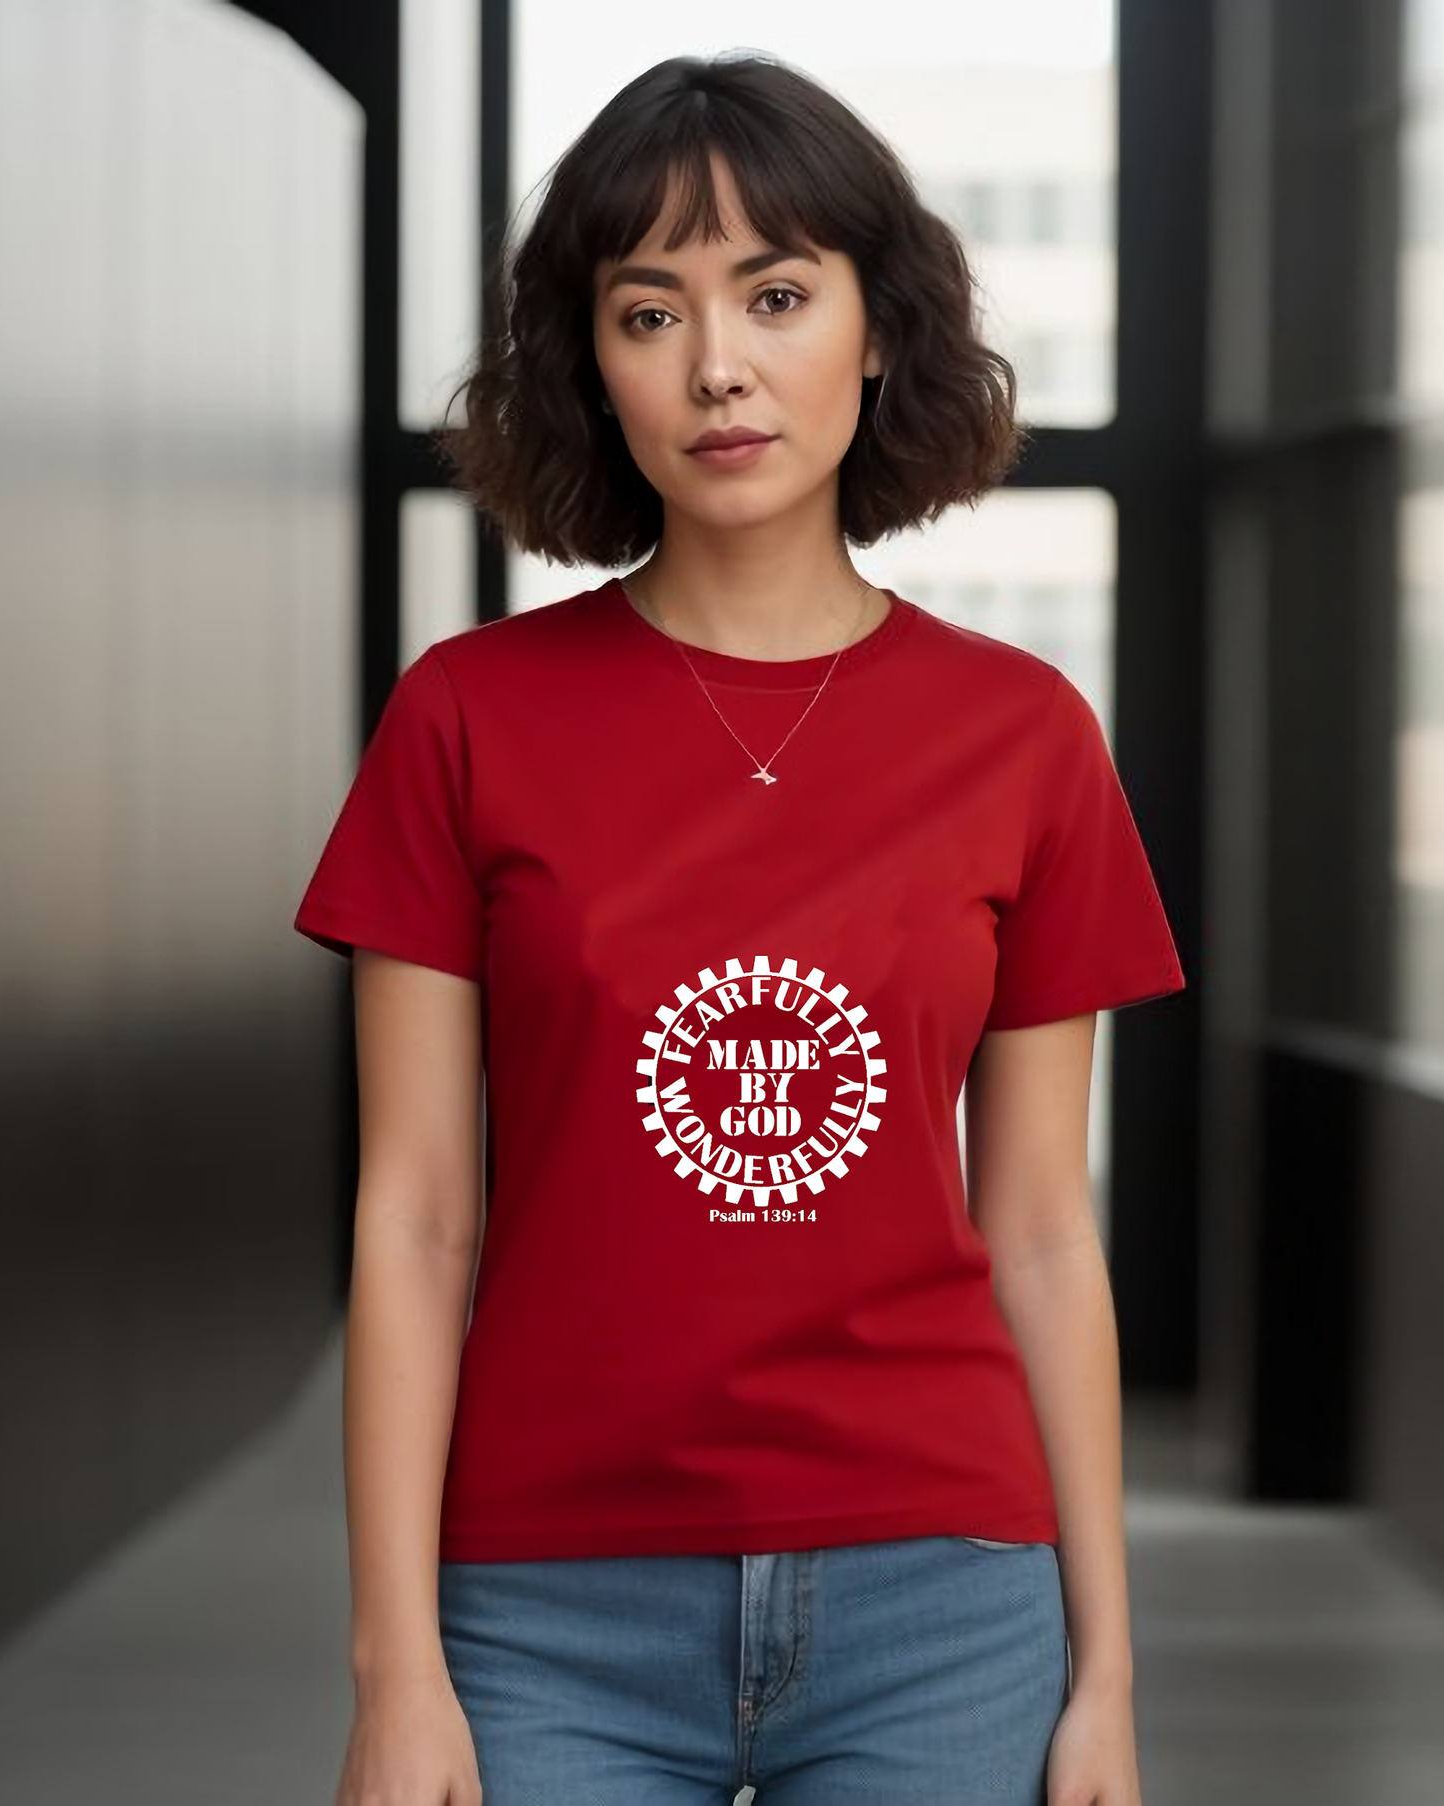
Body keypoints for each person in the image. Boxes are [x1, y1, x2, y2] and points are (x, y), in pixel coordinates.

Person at [294, 50, 1186, 1806]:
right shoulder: (468, 716)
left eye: (776, 296)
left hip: (943, 1596)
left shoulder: (1022, 736)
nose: (718, 364)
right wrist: (397, 1669)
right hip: (546, 1607)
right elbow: (414, 1216)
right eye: (651, 312)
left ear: (878, 329)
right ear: (592, 366)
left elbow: (1038, 1232)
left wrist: (1109, 1670)